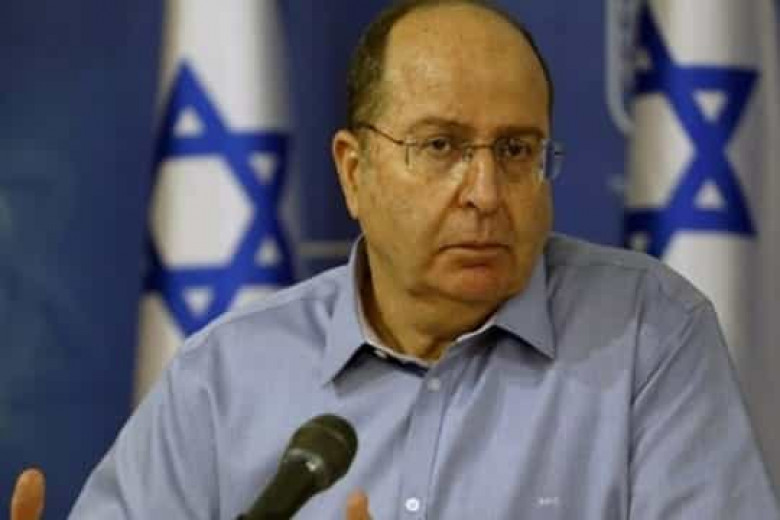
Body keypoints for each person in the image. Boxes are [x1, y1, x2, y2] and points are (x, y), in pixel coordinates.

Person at [16, 0, 780, 518]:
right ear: (354, 172)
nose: (486, 193)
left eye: (517, 150)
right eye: (441, 146)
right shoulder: (224, 379)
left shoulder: (649, 336)